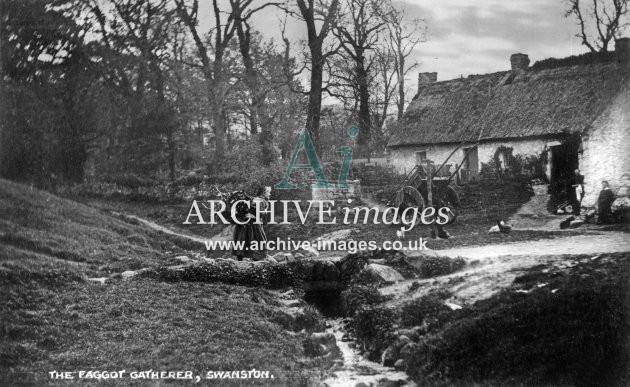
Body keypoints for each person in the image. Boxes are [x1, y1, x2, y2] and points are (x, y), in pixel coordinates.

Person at [232, 185, 271, 261]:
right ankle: (257, 259)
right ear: (263, 193)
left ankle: (240, 258)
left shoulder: (253, 199)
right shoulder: (262, 201)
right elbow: (260, 214)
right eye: (268, 192)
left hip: (244, 222)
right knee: (256, 240)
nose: (269, 194)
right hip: (253, 224)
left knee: (242, 239)